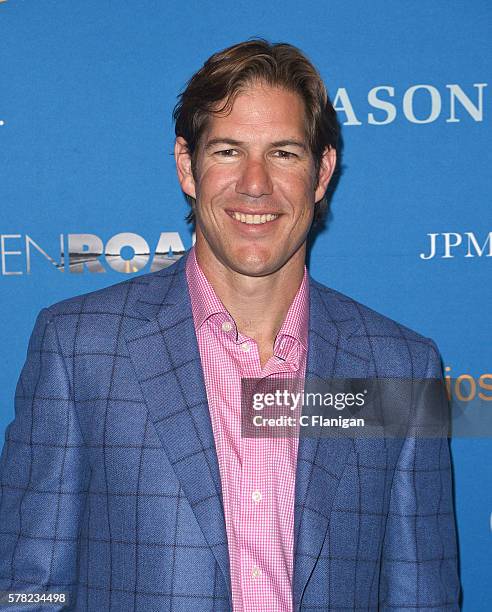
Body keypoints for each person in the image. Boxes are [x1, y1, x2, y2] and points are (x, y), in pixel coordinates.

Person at [0, 39, 460, 611]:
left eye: (285, 153)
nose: (255, 183)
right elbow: (26, 588)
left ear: (322, 174)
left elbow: (423, 597)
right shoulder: (82, 349)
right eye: (227, 152)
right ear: (186, 167)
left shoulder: (400, 367)